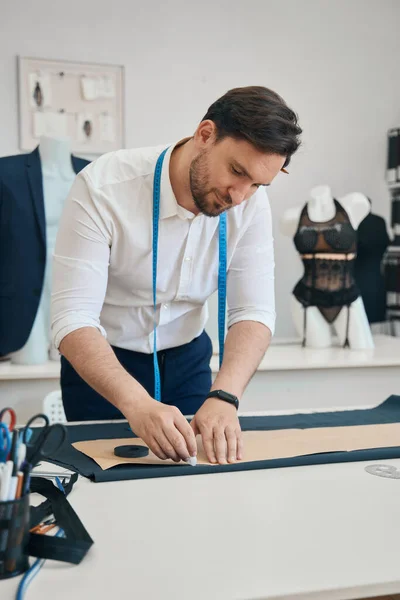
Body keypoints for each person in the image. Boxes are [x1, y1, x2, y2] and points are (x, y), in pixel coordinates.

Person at [51, 86, 301, 465]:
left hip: (188, 361)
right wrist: (135, 403)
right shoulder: (103, 187)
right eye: (236, 171)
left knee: (195, 486)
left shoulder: (248, 201)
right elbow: (72, 319)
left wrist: (225, 396)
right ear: (205, 135)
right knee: (104, 489)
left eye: (257, 184)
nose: (239, 197)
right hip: (106, 365)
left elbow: (253, 310)